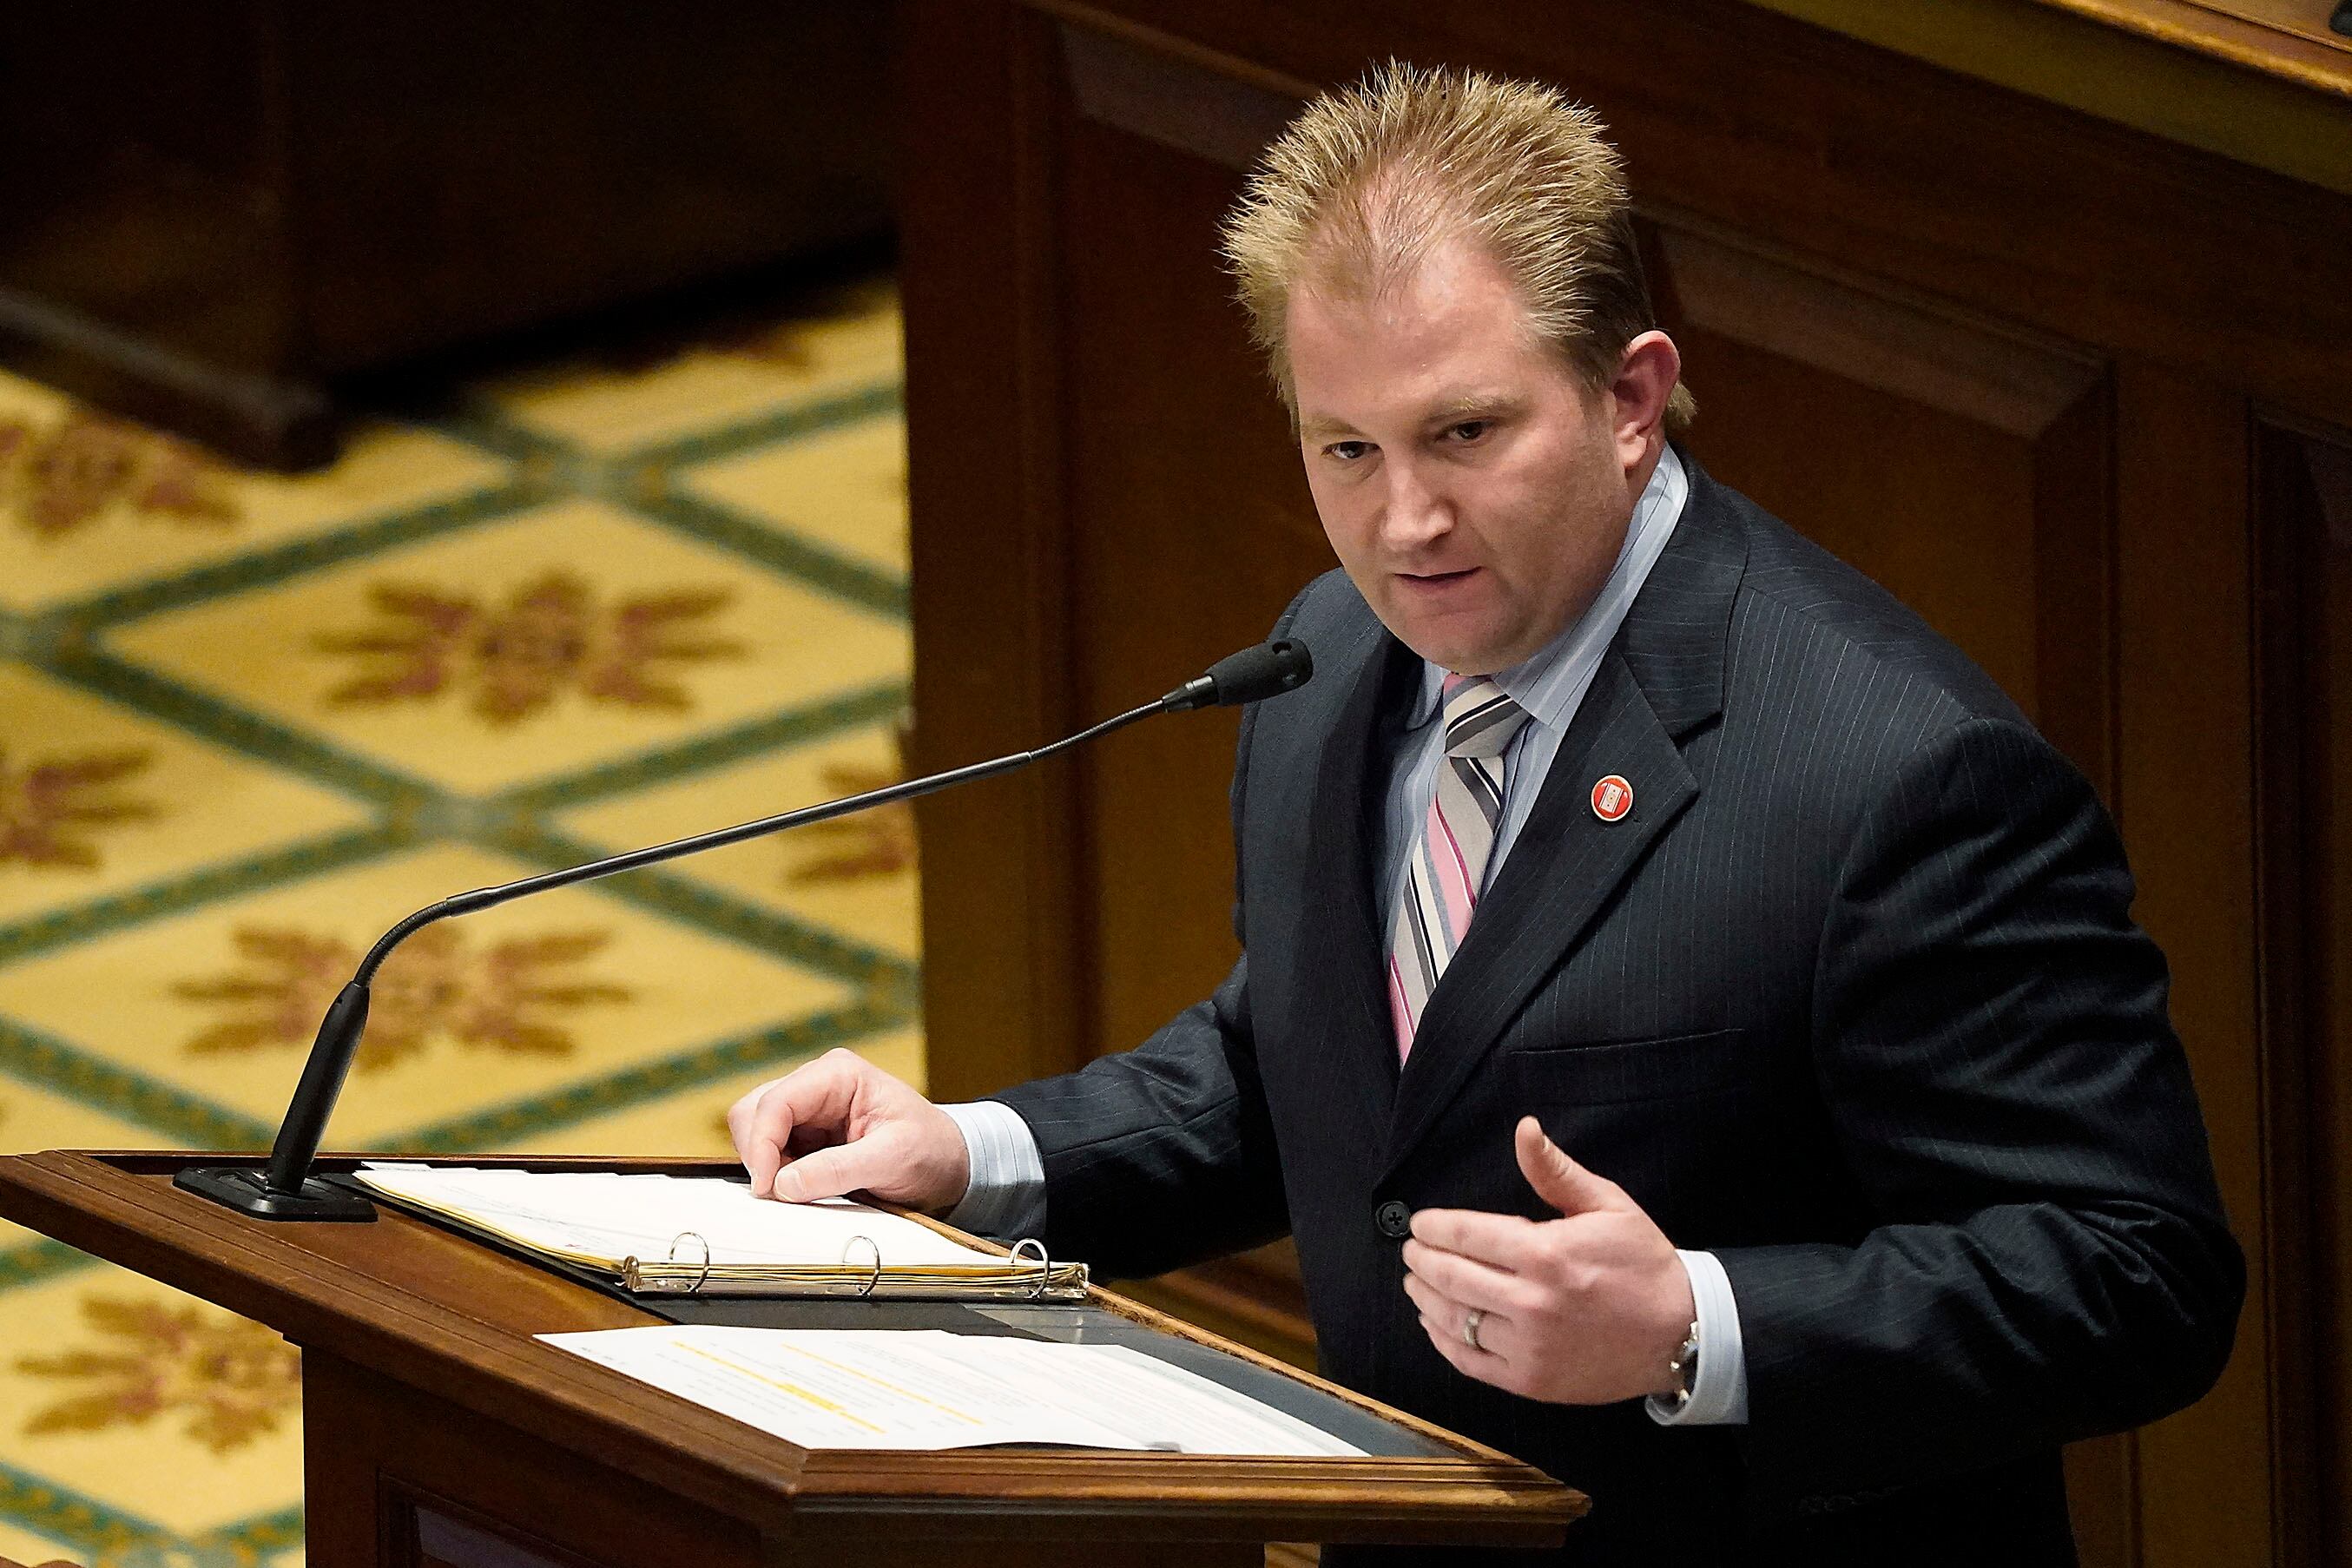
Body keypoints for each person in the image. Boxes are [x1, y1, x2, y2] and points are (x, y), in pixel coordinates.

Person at [728, 64, 2242, 1564]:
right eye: (1347, 449)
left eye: (1464, 434)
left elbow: (2134, 1271)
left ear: (1631, 397)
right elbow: (1309, 1071)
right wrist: (979, 1155)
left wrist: (1691, 1326)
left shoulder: (1899, 776)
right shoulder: (1326, 662)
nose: (1405, 525)